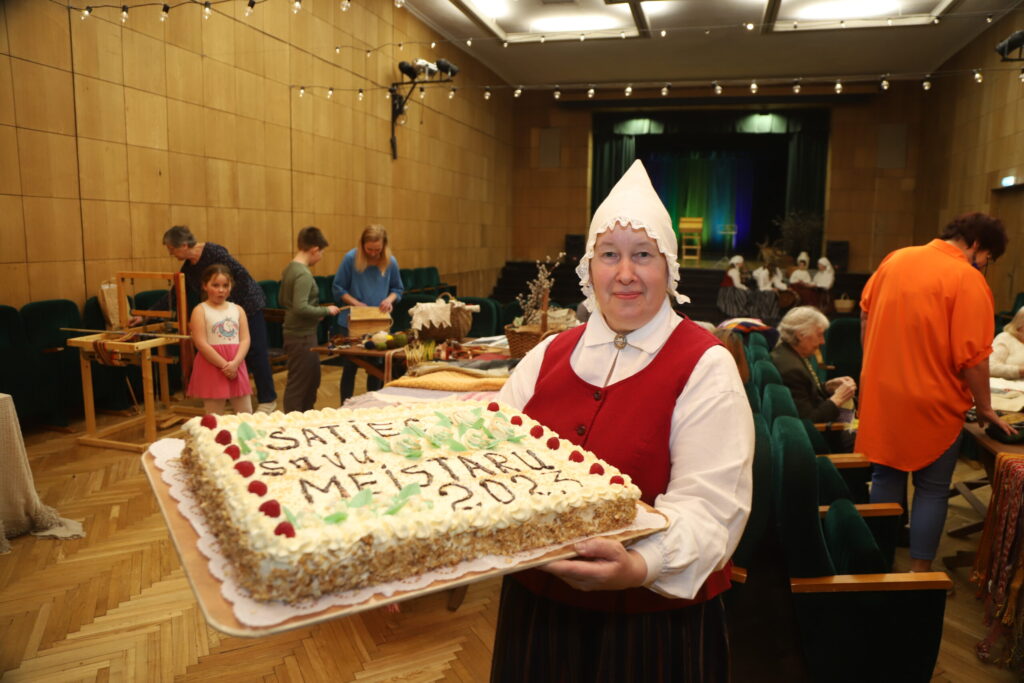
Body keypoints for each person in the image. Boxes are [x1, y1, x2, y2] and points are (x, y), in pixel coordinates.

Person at [491, 160, 753, 682]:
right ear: (590, 268)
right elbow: (490, 461)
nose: (625, 273)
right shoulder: (546, 355)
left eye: (643, 256)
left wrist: (641, 565)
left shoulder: (706, 365)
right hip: (540, 614)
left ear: (669, 266)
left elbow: (711, 509)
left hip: (653, 629)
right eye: (609, 255)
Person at [856, 212, 1015, 573]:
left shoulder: (895, 259)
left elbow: (865, 316)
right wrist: (985, 408)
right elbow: (974, 358)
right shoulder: (967, 279)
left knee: (884, 479)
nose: (985, 265)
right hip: (933, 400)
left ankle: (875, 566)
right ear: (976, 245)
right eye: (989, 257)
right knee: (931, 488)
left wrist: (875, 365)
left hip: (882, 395)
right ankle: (919, 572)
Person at [140, 226, 278, 413]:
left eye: (172, 249)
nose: (170, 253)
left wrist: (230, 309)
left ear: (184, 245)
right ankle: (227, 395)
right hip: (222, 311)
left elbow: (240, 278)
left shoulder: (214, 252)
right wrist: (146, 314)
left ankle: (268, 399)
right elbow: (174, 295)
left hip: (247, 305)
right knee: (225, 355)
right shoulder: (189, 268)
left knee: (256, 351)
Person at [331, 225, 404, 402]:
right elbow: (338, 288)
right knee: (350, 366)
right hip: (353, 321)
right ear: (362, 245)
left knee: (376, 368)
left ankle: (372, 404)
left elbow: (398, 289)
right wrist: (356, 303)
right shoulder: (350, 258)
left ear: (384, 246)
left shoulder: (390, 261)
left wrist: (389, 300)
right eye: (369, 249)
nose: (373, 253)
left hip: (378, 322)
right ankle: (345, 406)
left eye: (377, 250)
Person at [280, 227, 341, 413]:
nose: (321, 257)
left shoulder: (289, 268)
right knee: (300, 384)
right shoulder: (303, 274)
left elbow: (284, 301)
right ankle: (293, 422)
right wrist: (326, 310)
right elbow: (300, 307)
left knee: (311, 380)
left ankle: (305, 418)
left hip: (300, 333)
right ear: (314, 249)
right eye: (321, 252)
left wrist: (315, 312)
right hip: (301, 335)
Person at [772, 306, 856, 422]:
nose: (823, 341)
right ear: (800, 335)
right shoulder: (791, 370)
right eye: (819, 335)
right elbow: (809, 420)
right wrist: (837, 399)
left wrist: (827, 387)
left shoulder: (787, 353)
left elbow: (806, 394)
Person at [187, 265, 252, 415]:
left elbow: (245, 339)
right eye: (215, 285)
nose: (221, 290)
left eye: (225, 285)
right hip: (213, 364)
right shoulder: (200, 310)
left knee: (246, 413)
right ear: (205, 286)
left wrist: (235, 363)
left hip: (236, 362)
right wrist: (224, 365)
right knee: (214, 415)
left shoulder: (237, 309)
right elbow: (201, 343)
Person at [990, 306, 1024, 380]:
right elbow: (990, 367)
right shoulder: (1005, 338)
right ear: (1020, 324)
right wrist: (1020, 371)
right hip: (1004, 387)